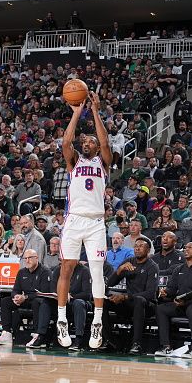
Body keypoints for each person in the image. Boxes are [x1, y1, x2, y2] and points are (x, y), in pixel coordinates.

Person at [56, 91, 112, 349]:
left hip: (96, 223)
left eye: (91, 141)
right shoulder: (74, 161)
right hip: (74, 220)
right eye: (85, 141)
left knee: (97, 270)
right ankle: (61, 320)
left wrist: (96, 112)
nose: (87, 143)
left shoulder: (104, 162)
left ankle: (97, 323)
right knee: (67, 267)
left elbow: (106, 144)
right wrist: (77, 114)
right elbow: (66, 143)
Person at [102, 238, 159, 354]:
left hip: (148, 306)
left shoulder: (152, 266)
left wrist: (124, 297)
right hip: (129, 303)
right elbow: (110, 283)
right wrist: (119, 270)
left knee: (139, 300)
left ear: (148, 250)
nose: (137, 248)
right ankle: (109, 341)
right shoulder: (129, 261)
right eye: (135, 246)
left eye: (141, 246)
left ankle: (136, 344)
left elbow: (150, 293)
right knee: (102, 303)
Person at [154, 242, 192, 357]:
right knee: (161, 309)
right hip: (179, 303)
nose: (186, 249)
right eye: (185, 247)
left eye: (191, 248)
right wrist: (166, 292)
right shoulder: (178, 269)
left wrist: (186, 301)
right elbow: (172, 289)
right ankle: (166, 346)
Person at [0, 249, 52, 346]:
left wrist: (25, 297)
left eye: (30, 258)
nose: (27, 260)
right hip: (25, 300)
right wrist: (16, 297)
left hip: (38, 301)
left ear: (36, 258)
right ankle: (6, 333)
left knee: (38, 302)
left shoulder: (45, 272)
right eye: (25, 258)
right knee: (5, 301)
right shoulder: (21, 272)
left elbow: (44, 293)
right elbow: (15, 290)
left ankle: (37, 335)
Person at [51, 262, 92, 351]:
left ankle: (78, 339)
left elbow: (87, 294)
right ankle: (42, 336)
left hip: (80, 301)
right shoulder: (58, 270)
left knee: (79, 303)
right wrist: (62, 295)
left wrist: (70, 296)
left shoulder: (85, 271)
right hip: (62, 301)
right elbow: (52, 289)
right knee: (45, 302)